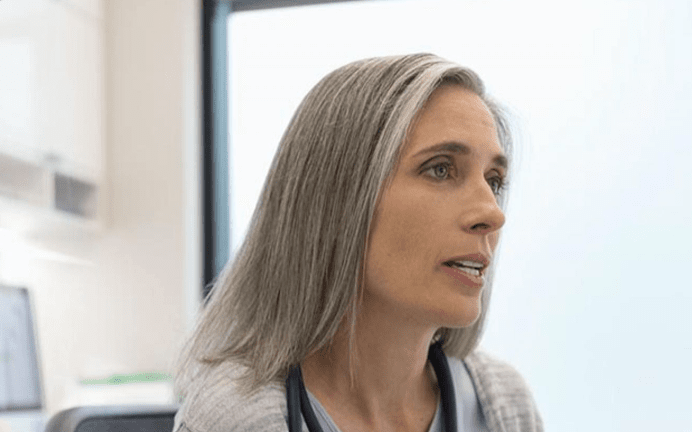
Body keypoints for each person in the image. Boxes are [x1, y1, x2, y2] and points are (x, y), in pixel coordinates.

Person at [171, 53, 543, 432]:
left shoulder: (502, 405)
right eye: (441, 169)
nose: (492, 214)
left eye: (493, 181)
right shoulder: (234, 419)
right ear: (338, 199)